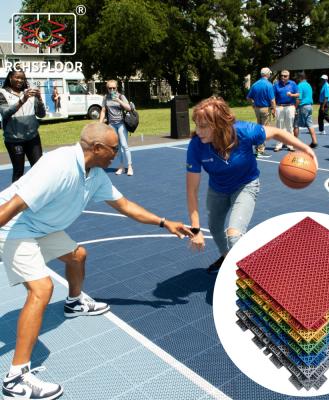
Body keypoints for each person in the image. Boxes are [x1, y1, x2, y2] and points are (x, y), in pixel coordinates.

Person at [0, 122, 192, 400]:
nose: (117, 153)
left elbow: (125, 206)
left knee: (77, 256)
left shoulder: (95, 174)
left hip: (40, 226)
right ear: (98, 148)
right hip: (14, 227)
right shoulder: (58, 166)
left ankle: (74, 303)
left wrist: (164, 222)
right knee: (41, 289)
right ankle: (16, 378)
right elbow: (12, 206)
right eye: (114, 149)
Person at [186, 97, 317, 273]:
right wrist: (195, 229)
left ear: (219, 124)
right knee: (214, 227)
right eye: (197, 124)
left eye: (203, 126)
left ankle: (249, 275)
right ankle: (226, 256)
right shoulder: (196, 146)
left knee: (234, 235)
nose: (198, 131)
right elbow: (192, 191)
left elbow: (278, 133)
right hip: (218, 188)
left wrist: (306, 149)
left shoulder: (244, 132)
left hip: (246, 185)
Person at [0, 69, 45, 182]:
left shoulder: (29, 92)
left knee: (39, 168)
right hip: (14, 140)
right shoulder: (2, 93)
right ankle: (15, 196)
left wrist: (39, 98)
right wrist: (23, 99)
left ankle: (39, 196)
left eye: (23, 78)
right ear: (10, 78)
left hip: (32, 137)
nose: (20, 80)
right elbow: (5, 113)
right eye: (17, 77)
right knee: (19, 171)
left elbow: (41, 114)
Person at [99, 80, 133, 176]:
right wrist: (100, 124)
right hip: (112, 125)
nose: (112, 90)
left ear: (117, 88)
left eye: (114, 88)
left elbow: (129, 108)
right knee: (117, 147)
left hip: (121, 124)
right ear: (107, 89)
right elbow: (103, 111)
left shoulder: (121, 96)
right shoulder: (106, 98)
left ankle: (129, 166)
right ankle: (121, 166)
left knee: (124, 145)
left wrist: (118, 100)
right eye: (110, 88)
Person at [246, 67, 276, 156]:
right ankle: (260, 150)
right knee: (264, 130)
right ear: (267, 74)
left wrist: (253, 104)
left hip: (257, 109)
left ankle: (257, 147)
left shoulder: (255, 84)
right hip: (265, 109)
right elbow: (272, 100)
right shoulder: (269, 85)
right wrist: (274, 109)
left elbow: (248, 97)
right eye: (269, 73)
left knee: (259, 128)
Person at [273, 70, 299, 152]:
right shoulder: (276, 85)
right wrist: (273, 108)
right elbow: (273, 98)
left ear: (288, 76)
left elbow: (298, 94)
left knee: (290, 126)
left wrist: (292, 95)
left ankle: (290, 145)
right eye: (282, 75)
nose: (283, 77)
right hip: (279, 107)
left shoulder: (293, 84)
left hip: (290, 106)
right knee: (279, 126)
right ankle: (279, 145)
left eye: (285, 76)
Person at [293, 72, 318, 148]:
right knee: (309, 124)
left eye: (297, 78)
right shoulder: (308, 85)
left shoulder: (300, 85)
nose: (296, 79)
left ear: (300, 78)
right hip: (309, 106)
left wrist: (295, 107)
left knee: (296, 124)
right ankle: (314, 141)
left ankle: (294, 142)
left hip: (302, 106)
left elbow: (298, 99)